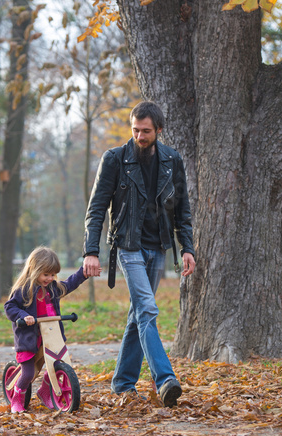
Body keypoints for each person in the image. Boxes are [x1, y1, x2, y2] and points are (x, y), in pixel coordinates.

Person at [83, 101, 195, 407]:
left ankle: (122, 383)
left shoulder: (172, 160)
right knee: (148, 309)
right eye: (135, 129)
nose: (139, 136)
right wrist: (90, 251)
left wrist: (187, 248)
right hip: (127, 246)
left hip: (158, 247)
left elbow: (182, 210)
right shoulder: (115, 159)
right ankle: (166, 380)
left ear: (158, 130)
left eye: (146, 131)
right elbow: (96, 210)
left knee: (138, 315)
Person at [4, 246, 90, 413]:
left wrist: (84, 273)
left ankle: (45, 391)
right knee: (28, 374)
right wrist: (23, 315)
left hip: (50, 336)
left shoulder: (52, 288)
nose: (50, 278)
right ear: (34, 270)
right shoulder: (24, 290)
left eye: (53, 274)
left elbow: (69, 284)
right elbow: (10, 306)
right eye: (46, 274)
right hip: (29, 339)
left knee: (58, 364)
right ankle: (17, 397)